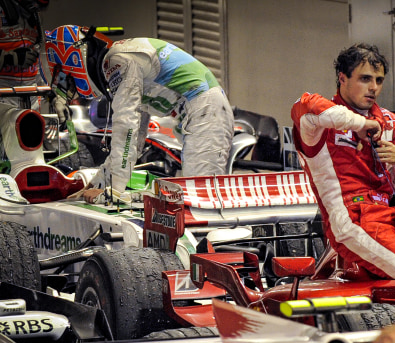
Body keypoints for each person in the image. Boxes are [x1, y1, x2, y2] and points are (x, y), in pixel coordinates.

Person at [291, 43, 395, 282]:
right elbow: (306, 106)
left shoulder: (389, 123)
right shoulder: (318, 126)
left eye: (379, 81)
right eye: (365, 79)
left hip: (394, 218)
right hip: (351, 220)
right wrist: (360, 124)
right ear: (342, 78)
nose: (373, 88)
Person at [42, 25, 234, 203]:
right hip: (201, 112)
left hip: (206, 113)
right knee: (192, 196)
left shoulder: (119, 61)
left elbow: (126, 128)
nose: (72, 87)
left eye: (70, 79)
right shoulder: (124, 60)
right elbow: (134, 141)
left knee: (198, 199)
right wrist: (97, 183)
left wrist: (113, 193)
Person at [0, 0, 45, 106]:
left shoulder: (35, 15)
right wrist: (10, 58)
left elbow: (39, 50)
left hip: (31, 93)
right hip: (3, 91)